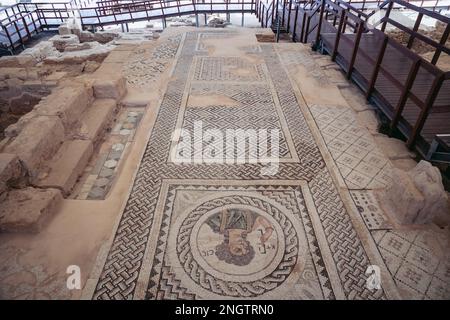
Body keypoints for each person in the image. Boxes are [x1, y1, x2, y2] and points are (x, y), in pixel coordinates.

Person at [206, 208, 274, 266]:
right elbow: (261, 218)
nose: (242, 246)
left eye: (237, 250)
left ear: (227, 248)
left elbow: (208, 213)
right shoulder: (250, 228)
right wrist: (269, 230)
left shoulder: (218, 226)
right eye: (246, 248)